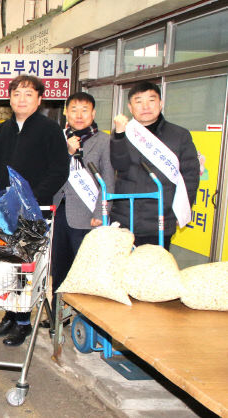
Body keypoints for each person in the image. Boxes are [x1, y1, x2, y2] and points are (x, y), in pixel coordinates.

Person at [0, 74, 69, 346]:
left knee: (29, 266)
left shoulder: (50, 129)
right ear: (10, 98)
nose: (22, 99)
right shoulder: (4, 129)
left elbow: (59, 171)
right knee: (7, 264)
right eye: (17, 94)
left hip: (34, 211)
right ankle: (9, 313)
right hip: (5, 211)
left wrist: (31, 198)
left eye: (29, 94)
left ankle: (24, 321)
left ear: (40, 99)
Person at [47, 92, 114, 327]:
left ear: (93, 113)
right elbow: (52, 171)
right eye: (73, 109)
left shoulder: (104, 141)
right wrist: (67, 152)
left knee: (84, 270)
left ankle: (84, 320)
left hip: (87, 216)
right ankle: (57, 316)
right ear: (66, 112)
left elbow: (108, 179)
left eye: (84, 110)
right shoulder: (59, 138)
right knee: (59, 267)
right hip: (60, 212)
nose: (78, 115)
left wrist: (100, 213)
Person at [111, 82, 199, 249]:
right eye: (138, 101)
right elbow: (118, 165)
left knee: (155, 272)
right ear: (130, 107)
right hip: (124, 218)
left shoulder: (180, 135)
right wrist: (119, 135)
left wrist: (175, 213)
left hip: (160, 218)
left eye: (151, 100)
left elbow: (190, 177)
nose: (145, 106)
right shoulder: (124, 132)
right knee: (121, 272)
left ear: (161, 103)